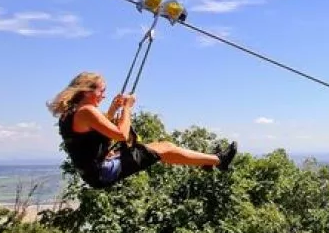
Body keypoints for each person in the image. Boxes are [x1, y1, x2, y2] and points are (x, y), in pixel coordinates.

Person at [48, 71, 238, 189]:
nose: (104, 95)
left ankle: (207, 161)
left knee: (162, 148)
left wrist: (114, 109)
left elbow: (96, 131)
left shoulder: (71, 112)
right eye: (101, 91)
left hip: (95, 171)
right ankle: (219, 160)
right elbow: (121, 134)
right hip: (102, 172)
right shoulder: (87, 111)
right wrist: (128, 108)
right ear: (87, 91)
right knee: (164, 148)